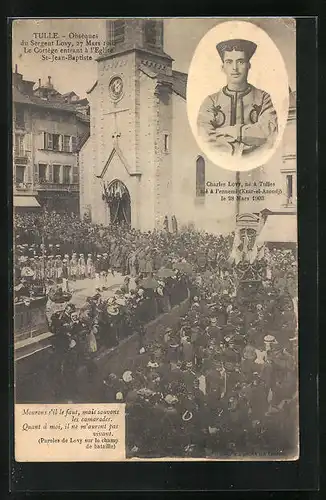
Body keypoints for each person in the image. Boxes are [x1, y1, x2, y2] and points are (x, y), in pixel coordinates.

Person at [197, 38, 278, 157]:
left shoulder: (263, 98)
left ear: (248, 66)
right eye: (229, 62)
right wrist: (247, 141)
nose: (235, 68)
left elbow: (269, 133)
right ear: (223, 67)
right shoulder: (211, 102)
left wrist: (230, 132)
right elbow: (205, 138)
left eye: (240, 61)